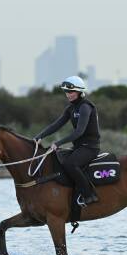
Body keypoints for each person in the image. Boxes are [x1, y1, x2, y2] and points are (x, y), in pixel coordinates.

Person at [33, 76, 101, 206]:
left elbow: (79, 132)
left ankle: (89, 195)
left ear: (80, 92)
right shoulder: (70, 109)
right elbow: (56, 125)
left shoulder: (85, 107)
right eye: (66, 92)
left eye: (71, 92)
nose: (67, 95)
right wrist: (39, 136)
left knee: (70, 164)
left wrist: (57, 143)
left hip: (90, 148)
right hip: (79, 147)